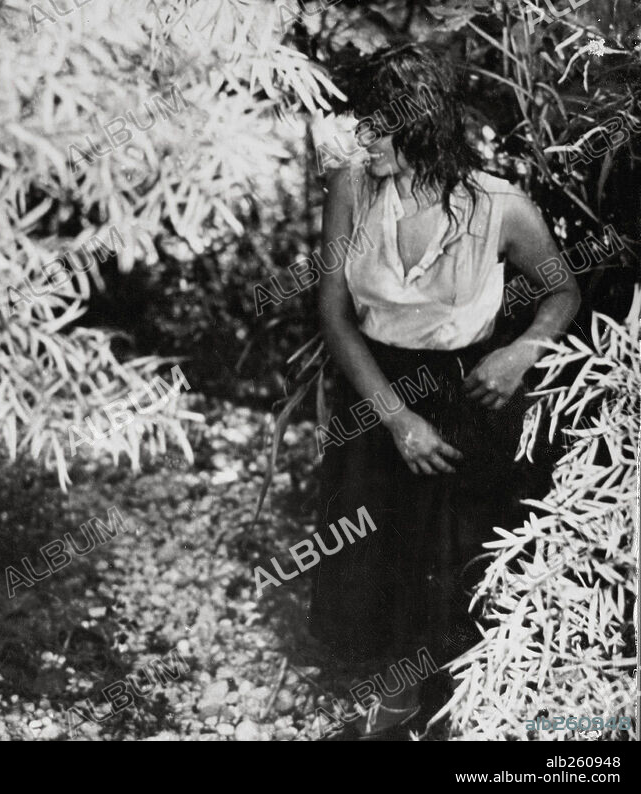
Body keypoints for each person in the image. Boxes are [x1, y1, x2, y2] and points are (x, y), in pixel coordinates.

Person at [306, 45, 580, 737]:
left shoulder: (501, 208)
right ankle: (393, 705)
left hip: (465, 394)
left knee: (457, 559)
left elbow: (562, 292)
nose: (361, 141)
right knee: (377, 556)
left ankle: (462, 715)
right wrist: (396, 420)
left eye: (377, 127)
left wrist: (523, 349)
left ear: (421, 128)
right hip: (376, 390)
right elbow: (335, 313)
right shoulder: (353, 187)